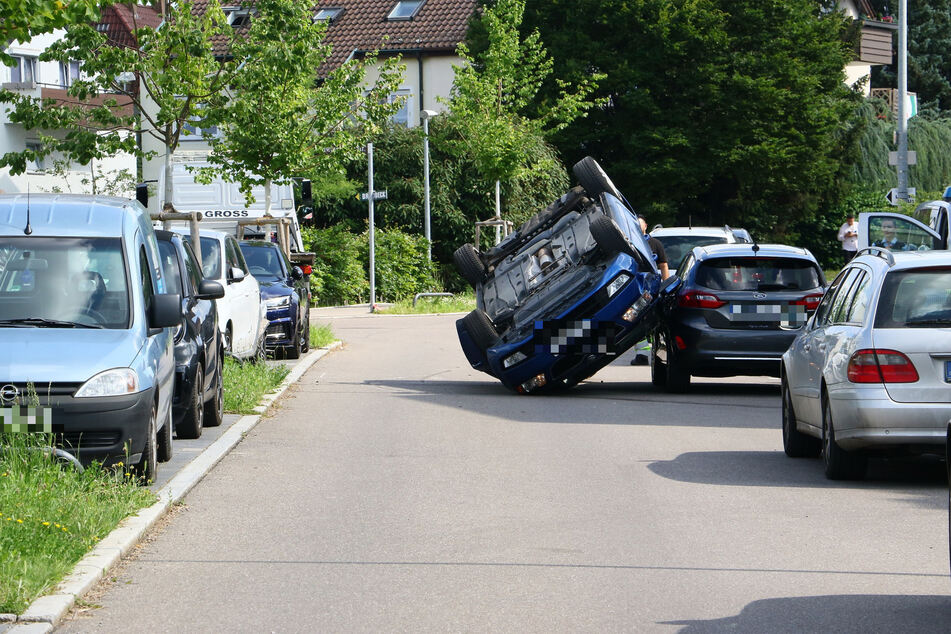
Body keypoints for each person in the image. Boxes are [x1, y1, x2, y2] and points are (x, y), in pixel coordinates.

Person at [632, 216, 668, 365]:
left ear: (646, 225)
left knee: (653, 322)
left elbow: (663, 265)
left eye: (641, 224)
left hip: (652, 290)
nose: (639, 227)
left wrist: (666, 286)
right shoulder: (630, 243)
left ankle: (656, 355)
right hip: (635, 291)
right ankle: (641, 355)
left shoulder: (655, 244)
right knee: (636, 320)